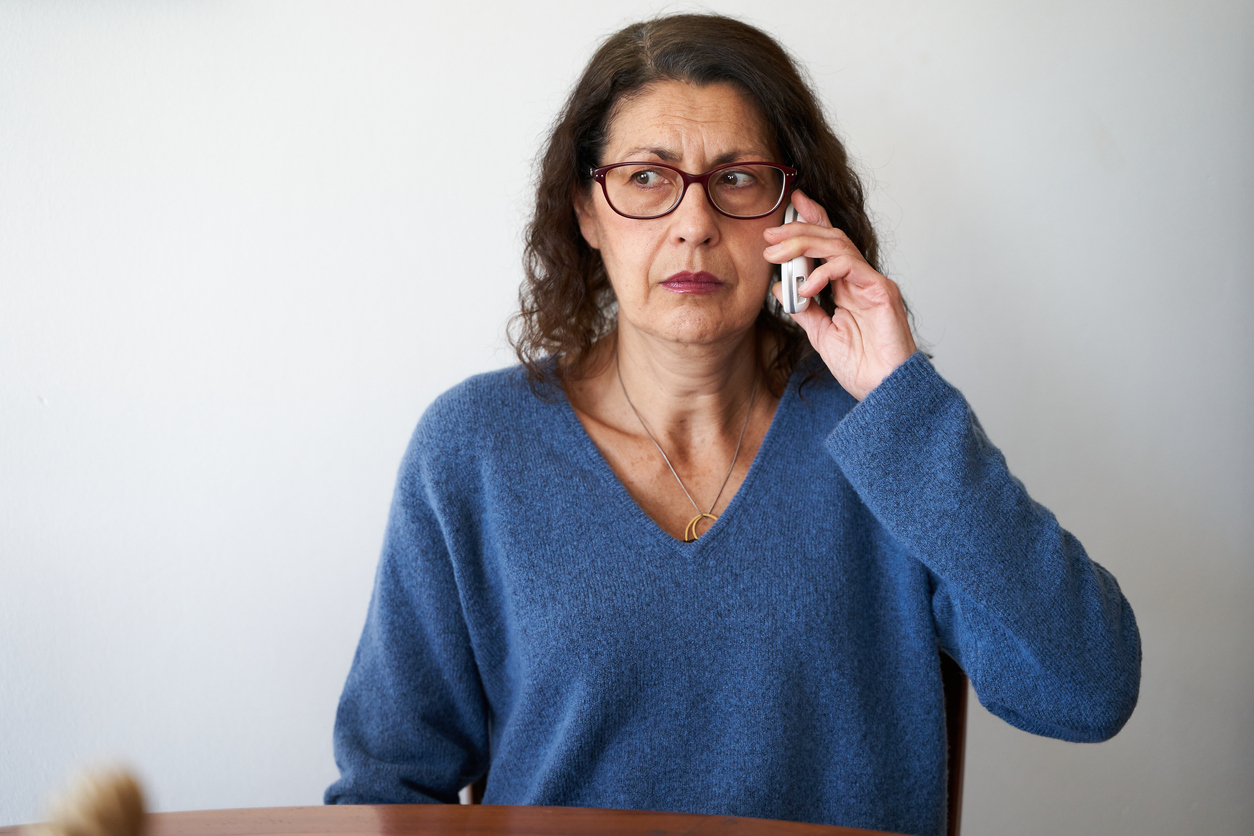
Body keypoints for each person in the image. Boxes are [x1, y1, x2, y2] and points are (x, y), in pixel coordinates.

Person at [325, 13, 1140, 836]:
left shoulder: (890, 436)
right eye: (647, 178)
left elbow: (1088, 691)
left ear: (795, 212)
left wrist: (899, 396)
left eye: (738, 178)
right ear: (585, 210)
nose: (694, 224)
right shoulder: (473, 448)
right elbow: (388, 788)